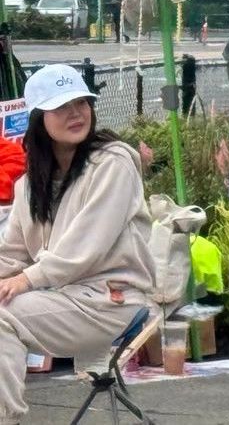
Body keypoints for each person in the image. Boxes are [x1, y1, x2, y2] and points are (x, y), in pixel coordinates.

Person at [0, 64, 154, 425]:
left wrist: (26, 279)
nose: (75, 113)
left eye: (81, 102)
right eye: (61, 106)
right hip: (60, 299)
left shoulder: (113, 162)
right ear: (39, 119)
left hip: (110, 300)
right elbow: (12, 253)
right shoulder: (31, 184)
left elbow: (86, 246)